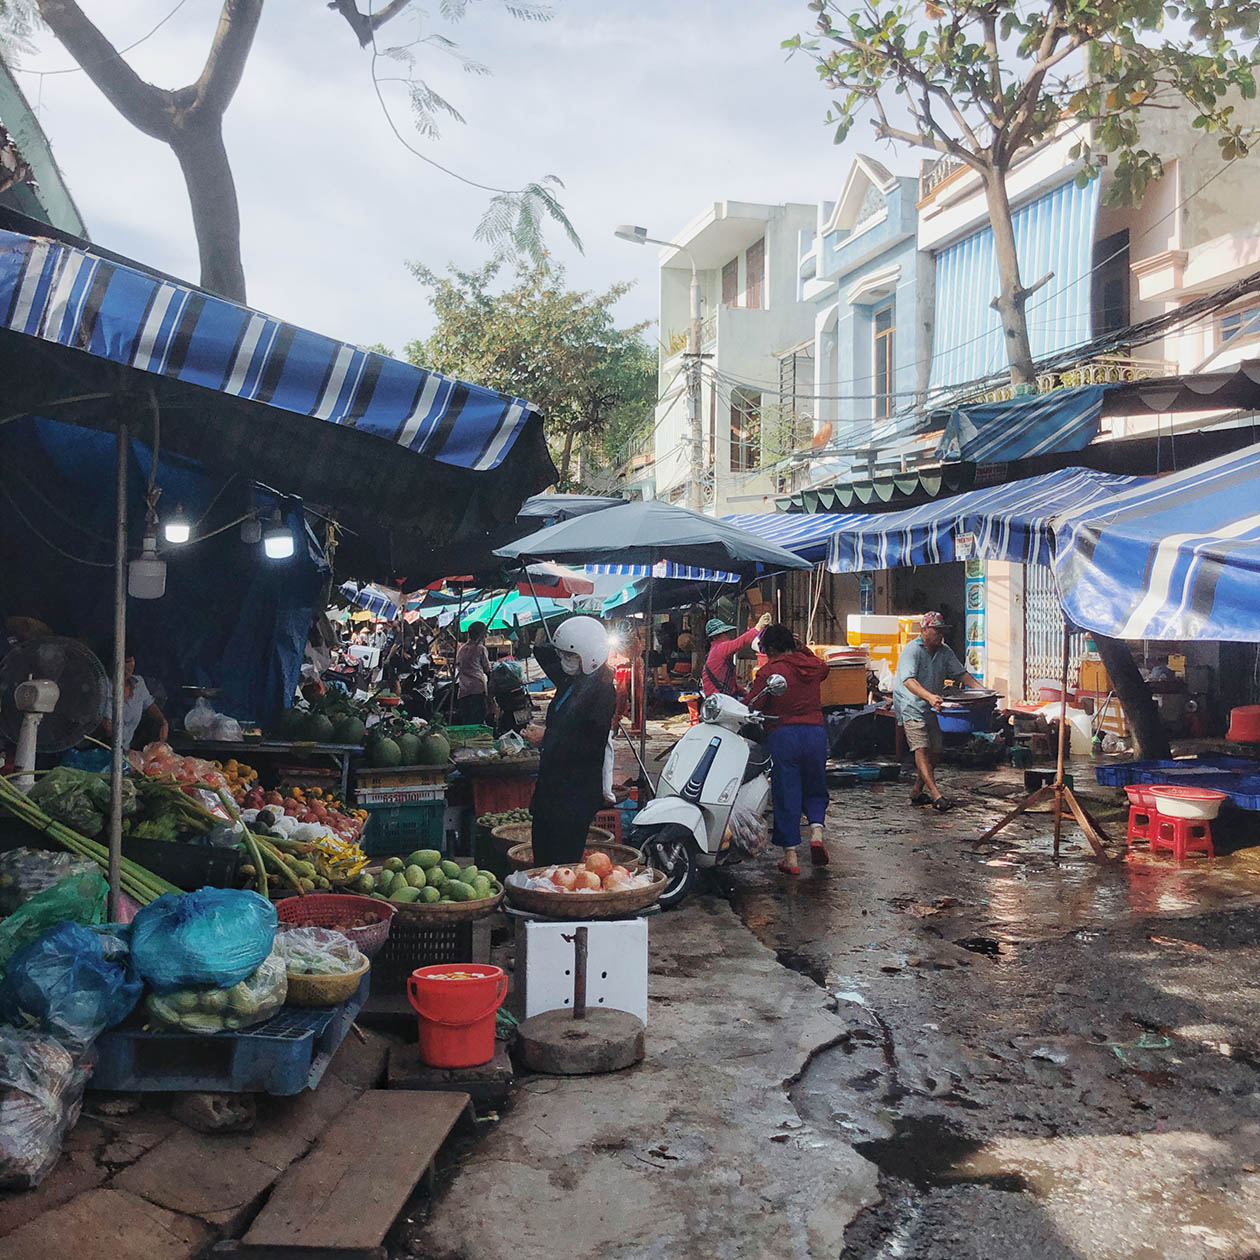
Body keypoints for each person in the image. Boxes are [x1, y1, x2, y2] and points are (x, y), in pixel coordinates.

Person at [521, 617, 617, 866]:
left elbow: (589, 746)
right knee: (542, 859)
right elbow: (542, 652)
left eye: (570, 656)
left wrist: (546, 738)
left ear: (591, 656)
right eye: (563, 655)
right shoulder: (571, 681)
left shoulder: (602, 691)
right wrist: (560, 638)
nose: (564, 661)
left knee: (561, 864)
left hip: (575, 795)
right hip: (552, 789)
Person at [748, 625, 831, 875]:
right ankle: (816, 834)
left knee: (787, 791)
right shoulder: (813, 666)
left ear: (771, 648)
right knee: (816, 785)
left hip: (784, 735)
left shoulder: (770, 671)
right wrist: (802, 648)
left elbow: (753, 703)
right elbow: (825, 667)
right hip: (816, 734)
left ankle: (791, 858)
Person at [893, 611, 983, 812]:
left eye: (942, 631)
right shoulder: (912, 650)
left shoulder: (944, 651)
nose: (940, 635)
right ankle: (936, 794)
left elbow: (961, 674)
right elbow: (909, 681)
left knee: (936, 751)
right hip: (912, 704)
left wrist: (983, 692)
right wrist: (929, 696)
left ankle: (917, 790)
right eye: (936, 630)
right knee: (921, 748)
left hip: (934, 706)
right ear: (924, 630)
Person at [101, 642, 168, 751]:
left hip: (126, 754)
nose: (125, 667)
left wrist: (163, 723)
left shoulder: (139, 684)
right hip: (101, 752)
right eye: (120, 662)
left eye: (129, 661)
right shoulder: (101, 686)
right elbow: (105, 728)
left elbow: (150, 706)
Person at [702, 613, 772, 698]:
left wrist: (745, 692)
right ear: (714, 637)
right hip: (718, 701)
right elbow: (740, 642)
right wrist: (757, 628)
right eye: (723, 633)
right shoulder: (719, 648)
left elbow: (731, 685)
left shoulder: (717, 650)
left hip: (722, 697)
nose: (727, 636)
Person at [455, 621, 491, 726]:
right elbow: (487, 668)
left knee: (467, 719)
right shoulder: (480, 649)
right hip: (477, 688)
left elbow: (459, 665)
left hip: (464, 689)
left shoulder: (462, 649)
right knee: (478, 718)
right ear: (480, 635)